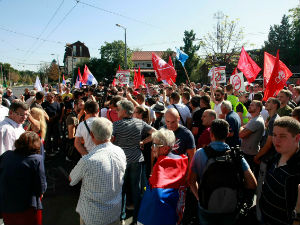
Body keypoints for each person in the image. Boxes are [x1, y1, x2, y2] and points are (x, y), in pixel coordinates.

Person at [189, 119, 257, 225]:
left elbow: (191, 181)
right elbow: (252, 183)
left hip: (207, 206)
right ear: (228, 134)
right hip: (230, 207)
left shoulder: (200, 154)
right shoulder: (235, 156)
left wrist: (200, 198)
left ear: (211, 134)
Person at [70, 117, 126, 225]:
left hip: (92, 217)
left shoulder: (87, 160)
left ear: (92, 135)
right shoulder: (120, 152)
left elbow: (72, 179)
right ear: (111, 135)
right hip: (114, 213)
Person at [112, 100, 156, 225]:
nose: (117, 111)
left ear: (125, 111)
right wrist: (143, 142)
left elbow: (108, 139)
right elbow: (155, 132)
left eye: (118, 109)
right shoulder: (140, 122)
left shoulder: (116, 125)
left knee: (121, 190)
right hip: (137, 160)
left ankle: (121, 217)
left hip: (121, 161)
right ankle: (137, 218)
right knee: (137, 191)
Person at [137, 128, 188, 225]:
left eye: (155, 145)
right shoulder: (181, 161)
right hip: (176, 214)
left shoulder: (162, 166)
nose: (152, 147)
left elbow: (158, 196)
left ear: (165, 148)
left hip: (157, 218)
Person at [259, 117, 300, 225]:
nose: (276, 140)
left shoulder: (296, 170)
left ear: (296, 138)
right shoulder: (275, 157)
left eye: (283, 136)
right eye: (275, 135)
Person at [0, 132, 47, 225]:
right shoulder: (36, 159)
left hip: (7, 205)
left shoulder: (6, 155)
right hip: (28, 207)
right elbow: (41, 187)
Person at [239, 100, 265, 176]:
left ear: (258, 108)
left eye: (252, 105)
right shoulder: (253, 119)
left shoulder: (256, 121)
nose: (249, 106)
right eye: (250, 104)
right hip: (248, 152)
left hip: (250, 155)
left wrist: (241, 128)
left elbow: (241, 135)